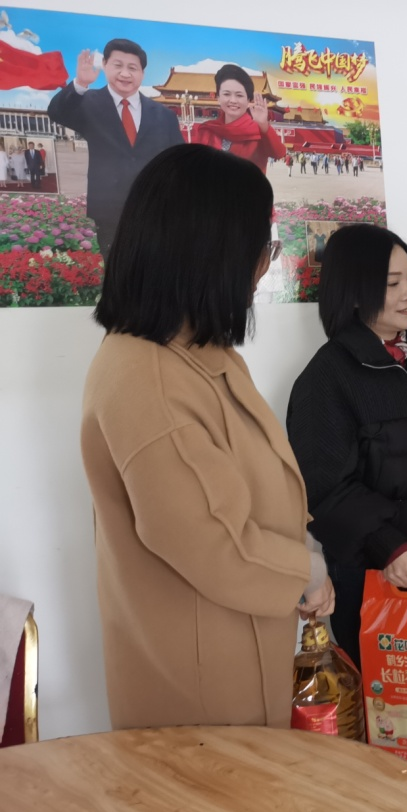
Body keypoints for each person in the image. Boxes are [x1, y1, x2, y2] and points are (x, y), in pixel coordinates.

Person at [80, 144, 335, 730]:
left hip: (236, 649)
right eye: (262, 248)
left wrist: (302, 556)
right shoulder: (147, 376)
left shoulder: (198, 353)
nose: (265, 266)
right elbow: (211, 543)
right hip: (199, 687)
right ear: (212, 254)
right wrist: (307, 571)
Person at [287, 224, 407, 670]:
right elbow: (324, 487)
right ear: (355, 293)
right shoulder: (327, 377)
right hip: (371, 567)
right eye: (393, 283)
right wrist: (387, 546)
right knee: (384, 696)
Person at [47, 39, 183, 257]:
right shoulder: (88, 102)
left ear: (142, 73)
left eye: (132, 68)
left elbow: (179, 160)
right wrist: (80, 83)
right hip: (110, 212)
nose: (125, 74)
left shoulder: (163, 115)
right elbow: (57, 112)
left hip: (155, 210)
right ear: (105, 65)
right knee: (115, 268)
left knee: (154, 268)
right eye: (118, 65)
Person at [192, 64, 286, 174]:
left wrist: (264, 126)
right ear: (218, 98)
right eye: (227, 94)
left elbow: (278, 153)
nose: (233, 100)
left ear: (248, 100)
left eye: (239, 95)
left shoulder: (258, 132)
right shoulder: (207, 130)